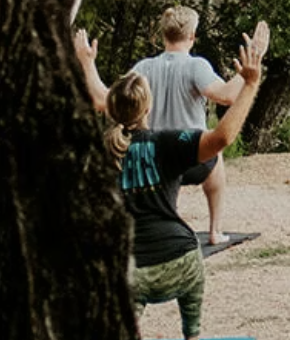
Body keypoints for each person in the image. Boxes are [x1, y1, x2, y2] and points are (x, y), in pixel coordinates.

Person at [75, 26, 265, 340]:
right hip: (182, 263)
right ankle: (193, 335)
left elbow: (98, 97)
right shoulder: (166, 144)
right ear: (147, 108)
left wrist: (85, 62)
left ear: (110, 110)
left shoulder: (97, 154)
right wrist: (251, 82)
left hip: (130, 273)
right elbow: (222, 137)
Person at [123, 5, 270, 247]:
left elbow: (111, 98)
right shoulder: (195, 65)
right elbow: (225, 96)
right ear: (192, 36)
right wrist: (249, 73)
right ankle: (215, 230)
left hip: (153, 161)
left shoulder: (144, 68)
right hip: (191, 160)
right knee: (216, 155)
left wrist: (87, 64)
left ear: (163, 35)